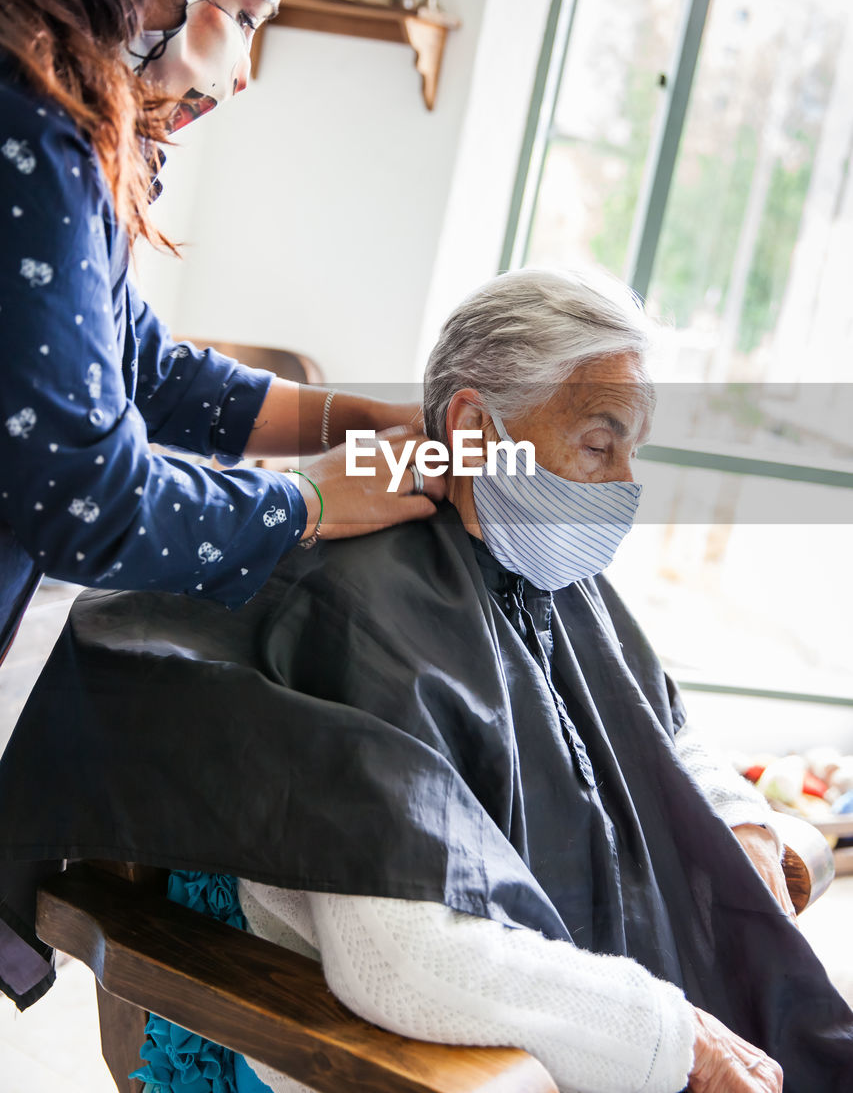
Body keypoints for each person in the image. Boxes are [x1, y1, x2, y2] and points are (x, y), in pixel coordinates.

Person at [1, 270, 851, 1092]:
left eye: (633, 449)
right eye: (599, 443)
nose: (626, 484)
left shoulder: (547, 566)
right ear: (476, 422)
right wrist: (680, 1043)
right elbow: (406, 964)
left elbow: (656, 725)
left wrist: (732, 818)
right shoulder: (359, 604)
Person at [0, 0, 442, 663]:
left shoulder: (44, 125)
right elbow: (90, 504)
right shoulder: (31, 144)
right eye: (243, 16)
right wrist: (307, 501)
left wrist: (352, 421)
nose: (240, 71)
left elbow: (145, 368)